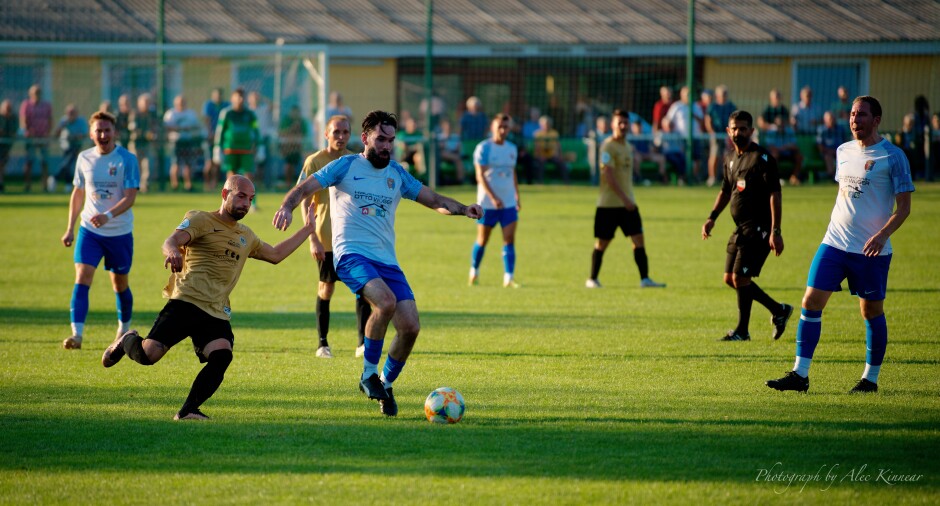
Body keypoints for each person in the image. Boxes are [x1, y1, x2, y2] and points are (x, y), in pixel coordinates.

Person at [272, 110, 483, 417]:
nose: (387, 146)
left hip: (387, 261)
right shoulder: (344, 165)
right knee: (383, 302)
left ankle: (384, 383)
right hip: (350, 254)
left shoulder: (396, 174)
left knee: (410, 327)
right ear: (366, 138)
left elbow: (434, 199)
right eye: (381, 139)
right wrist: (286, 207)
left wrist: (465, 209)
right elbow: (305, 188)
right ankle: (368, 373)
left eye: (391, 140)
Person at [101, 175, 318, 420]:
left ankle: (188, 411)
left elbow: (276, 254)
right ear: (225, 195)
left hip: (215, 310)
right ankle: (128, 339)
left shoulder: (246, 236)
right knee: (148, 356)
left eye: (250, 199)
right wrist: (173, 251)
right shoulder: (201, 219)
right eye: (241, 196)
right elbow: (171, 240)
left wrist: (308, 229)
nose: (246, 203)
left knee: (222, 355)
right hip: (186, 301)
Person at [766, 96, 915, 394]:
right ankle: (800, 375)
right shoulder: (843, 151)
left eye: (862, 115)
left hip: (871, 251)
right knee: (810, 302)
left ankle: (870, 380)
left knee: (871, 311)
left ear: (876, 120)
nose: (855, 120)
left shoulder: (893, 156)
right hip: (834, 242)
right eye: (852, 114)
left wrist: (883, 234)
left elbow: (904, 208)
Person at [702, 110, 793, 342]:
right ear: (728, 131)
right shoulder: (730, 158)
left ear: (752, 131)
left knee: (740, 279)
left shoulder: (761, 159)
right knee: (728, 278)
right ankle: (778, 310)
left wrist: (776, 230)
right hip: (740, 228)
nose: (738, 132)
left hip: (759, 228)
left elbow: (775, 194)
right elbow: (725, 191)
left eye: (743, 128)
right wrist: (712, 217)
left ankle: (742, 331)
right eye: (734, 128)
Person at [60, 111, 140, 350]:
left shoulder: (127, 159)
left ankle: (124, 328)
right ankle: (77, 335)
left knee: (120, 284)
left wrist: (107, 216)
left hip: (119, 232)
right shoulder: (84, 158)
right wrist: (70, 228)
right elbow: (78, 194)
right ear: (91, 133)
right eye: (98, 130)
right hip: (90, 231)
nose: (103, 134)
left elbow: (130, 197)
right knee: (82, 276)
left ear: (115, 132)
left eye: (107, 130)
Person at [297, 115, 372, 359]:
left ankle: (362, 343)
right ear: (326, 134)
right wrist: (312, 238)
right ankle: (323, 344)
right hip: (326, 237)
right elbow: (304, 201)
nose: (341, 137)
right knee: (326, 288)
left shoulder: (355, 160)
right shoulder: (314, 162)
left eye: (345, 132)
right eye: (336, 132)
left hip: (353, 237)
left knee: (363, 288)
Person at [586, 109, 665, 289]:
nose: (623, 126)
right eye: (619, 122)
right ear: (612, 125)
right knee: (602, 243)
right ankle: (592, 279)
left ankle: (645, 279)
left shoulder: (627, 147)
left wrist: (628, 199)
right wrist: (624, 198)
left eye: (625, 123)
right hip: (609, 205)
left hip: (628, 203)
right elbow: (608, 175)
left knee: (638, 239)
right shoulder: (607, 146)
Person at [469, 114, 520, 288]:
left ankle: (508, 277)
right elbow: (480, 175)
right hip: (488, 204)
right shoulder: (484, 148)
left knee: (509, 239)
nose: (503, 130)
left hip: (508, 203)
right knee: (483, 240)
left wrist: (517, 196)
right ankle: (474, 271)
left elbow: (513, 173)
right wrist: (493, 198)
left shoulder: (512, 148)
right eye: (500, 126)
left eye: (506, 127)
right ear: (492, 127)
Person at [215, 89, 260, 207]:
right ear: (232, 98)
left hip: (246, 149)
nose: (240, 100)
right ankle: (229, 202)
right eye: (237, 97)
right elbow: (220, 131)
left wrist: (259, 145)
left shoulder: (250, 114)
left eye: (242, 97)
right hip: (231, 149)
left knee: (249, 176)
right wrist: (217, 148)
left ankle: (252, 203)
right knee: (231, 178)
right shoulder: (227, 113)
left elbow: (256, 130)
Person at [163, 95, 203, 192]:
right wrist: (180, 129)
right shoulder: (171, 114)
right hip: (175, 141)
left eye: (183, 102)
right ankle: (175, 185)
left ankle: (188, 185)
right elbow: (166, 127)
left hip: (188, 141)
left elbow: (197, 126)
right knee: (175, 163)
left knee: (188, 164)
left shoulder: (190, 113)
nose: (181, 104)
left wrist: (189, 128)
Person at [19, 84, 53, 193]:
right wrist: (29, 132)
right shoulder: (26, 105)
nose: (37, 94)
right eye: (35, 92)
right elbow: (24, 120)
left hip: (43, 138)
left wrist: (47, 133)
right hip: (31, 138)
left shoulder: (46, 105)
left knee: (44, 162)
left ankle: (45, 186)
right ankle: (27, 185)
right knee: (29, 162)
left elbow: (50, 120)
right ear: (31, 94)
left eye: (39, 92)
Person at [705, 85, 737, 186]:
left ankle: (729, 178)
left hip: (728, 135)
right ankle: (712, 178)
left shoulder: (732, 106)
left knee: (728, 157)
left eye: (725, 94)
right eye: (721, 94)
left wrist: (732, 133)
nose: (723, 96)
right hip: (716, 135)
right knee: (714, 155)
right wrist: (712, 132)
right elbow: (708, 120)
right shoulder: (712, 107)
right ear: (717, 95)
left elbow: (735, 120)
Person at [52, 104, 88, 191]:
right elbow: (56, 134)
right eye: (69, 113)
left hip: (76, 146)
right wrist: (61, 127)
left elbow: (83, 134)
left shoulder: (81, 121)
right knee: (66, 164)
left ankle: (55, 179)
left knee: (69, 164)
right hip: (66, 146)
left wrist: (74, 136)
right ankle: (65, 182)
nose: (70, 115)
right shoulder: (64, 121)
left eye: (72, 113)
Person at [129, 93, 159, 193]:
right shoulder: (135, 114)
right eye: (145, 102)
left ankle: (145, 186)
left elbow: (155, 126)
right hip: (136, 143)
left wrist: (153, 133)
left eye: (148, 102)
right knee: (136, 166)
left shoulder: (152, 114)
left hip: (147, 144)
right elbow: (133, 128)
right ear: (139, 103)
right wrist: (146, 134)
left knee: (147, 165)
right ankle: (135, 187)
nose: (147, 105)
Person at [202, 88, 229, 191]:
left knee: (218, 162)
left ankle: (214, 183)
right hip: (210, 137)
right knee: (209, 162)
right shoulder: (208, 105)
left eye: (219, 95)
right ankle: (206, 183)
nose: (218, 97)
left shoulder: (226, 105)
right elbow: (207, 119)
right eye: (216, 95)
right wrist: (210, 133)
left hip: (221, 138)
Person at [764, 116, 803, 185]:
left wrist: (784, 148)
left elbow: (794, 146)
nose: (781, 126)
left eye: (782, 124)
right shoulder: (771, 132)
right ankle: (775, 178)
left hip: (788, 153)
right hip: (777, 154)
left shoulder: (790, 131)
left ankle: (794, 177)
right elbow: (770, 147)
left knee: (799, 156)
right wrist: (783, 148)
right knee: (774, 156)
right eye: (779, 125)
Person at [248, 91, 274, 188]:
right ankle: (252, 184)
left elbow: (272, 105)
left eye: (256, 98)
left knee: (266, 163)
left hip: (264, 139)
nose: (255, 99)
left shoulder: (263, 108)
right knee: (252, 164)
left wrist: (263, 97)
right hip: (252, 140)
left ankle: (267, 184)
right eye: (253, 98)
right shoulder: (248, 111)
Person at [279, 105, 309, 187]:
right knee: (289, 165)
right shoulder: (286, 120)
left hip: (299, 147)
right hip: (288, 148)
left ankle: (299, 184)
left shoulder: (302, 122)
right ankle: (288, 183)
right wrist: (292, 128)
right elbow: (282, 133)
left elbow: (304, 134)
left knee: (301, 165)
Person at [532, 115, 569, 183]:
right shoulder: (538, 134)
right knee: (540, 165)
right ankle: (540, 182)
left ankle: (566, 182)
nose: (547, 125)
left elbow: (558, 146)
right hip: (541, 155)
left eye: (548, 124)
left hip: (552, 155)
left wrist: (560, 156)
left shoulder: (554, 133)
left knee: (562, 164)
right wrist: (539, 156)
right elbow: (537, 147)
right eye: (545, 124)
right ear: (541, 125)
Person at [629, 119, 666, 184]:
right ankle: (638, 177)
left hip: (648, 155)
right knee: (636, 158)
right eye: (636, 126)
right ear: (633, 127)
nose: (638, 128)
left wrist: (653, 149)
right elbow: (632, 149)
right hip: (639, 156)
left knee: (661, 158)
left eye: (639, 126)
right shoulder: (631, 137)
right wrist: (640, 154)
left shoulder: (645, 136)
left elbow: (651, 147)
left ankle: (661, 177)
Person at [816, 111, 848, 180]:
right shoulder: (822, 130)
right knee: (828, 156)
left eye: (833, 118)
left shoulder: (840, 129)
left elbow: (845, 142)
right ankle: (832, 176)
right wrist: (831, 151)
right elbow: (820, 146)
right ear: (825, 120)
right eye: (830, 119)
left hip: (840, 152)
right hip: (827, 152)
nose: (833, 120)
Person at [436, 118, 466, 184]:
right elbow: (439, 149)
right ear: (443, 127)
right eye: (446, 127)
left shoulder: (455, 137)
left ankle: (460, 181)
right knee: (456, 157)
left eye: (449, 127)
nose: (448, 128)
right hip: (442, 156)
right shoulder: (439, 137)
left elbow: (458, 149)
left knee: (459, 160)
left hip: (453, 156)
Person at [0, 99, 19, 193]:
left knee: (2, 164)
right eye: (7, 109)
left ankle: (1, 183)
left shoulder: (13, 118)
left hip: (6, 146)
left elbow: (14, 131)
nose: (8, 111)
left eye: (9, 109)